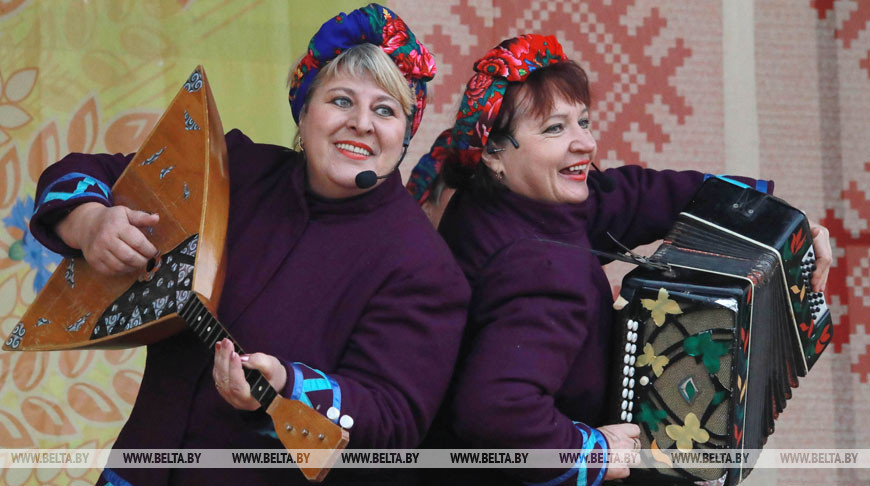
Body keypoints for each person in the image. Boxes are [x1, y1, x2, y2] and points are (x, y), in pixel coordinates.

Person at [29, 4, 470, 485]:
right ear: (304, 113)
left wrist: (286, 385)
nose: (362, 123)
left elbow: (394, 421)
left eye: (384, 110)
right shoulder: (235, 167)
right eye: (341, 100)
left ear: (404, 133)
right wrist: (90, 222)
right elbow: (88, 172)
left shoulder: (424, 268)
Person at [411, 34, 832, 485]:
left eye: (584, 122)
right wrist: (590, 453)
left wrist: (777, 222)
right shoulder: (544, 274)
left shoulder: (500, 203)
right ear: (494, 153)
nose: (584, 143)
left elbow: (631, 195)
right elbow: (495, 409)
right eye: (554, 128)